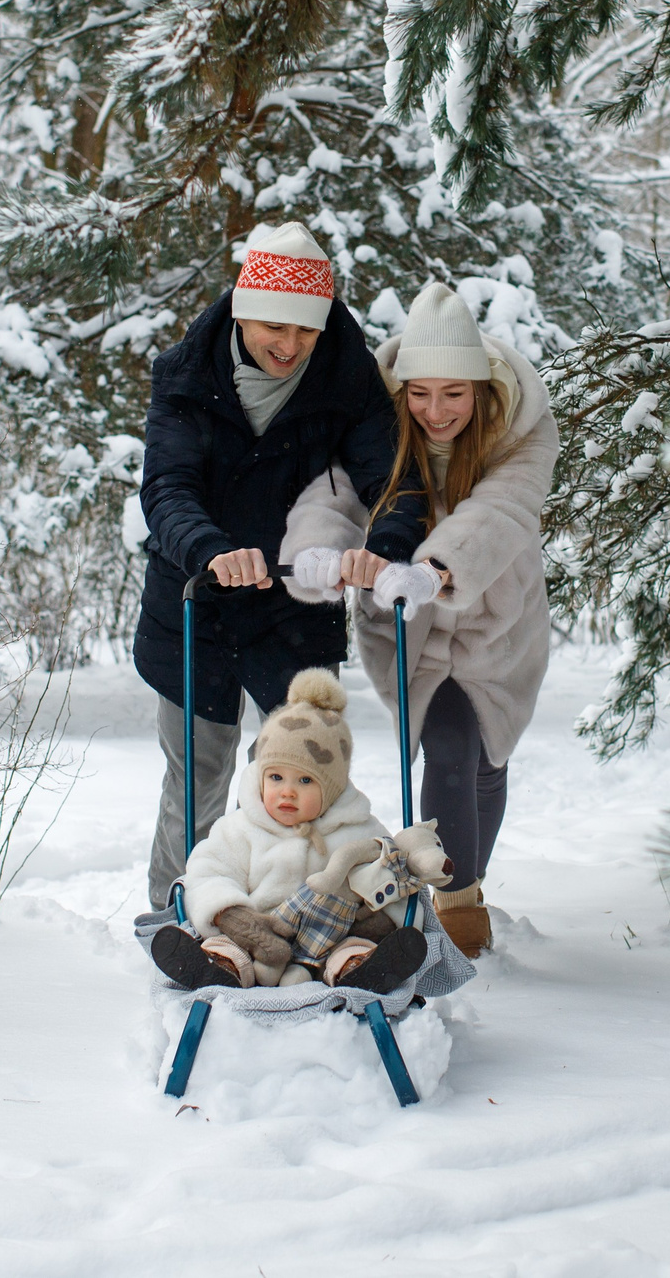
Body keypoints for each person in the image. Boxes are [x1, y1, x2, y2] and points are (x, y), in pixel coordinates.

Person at [134, 222, 425, 910]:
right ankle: (182, 913)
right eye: (273, 326)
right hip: (195, 596)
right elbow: (166, 487)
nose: (289, 346)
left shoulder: (347, 378)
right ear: (241, 308)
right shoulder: (185, 376)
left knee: (302, 773)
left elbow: (395, 476)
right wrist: (210, 548)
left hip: (295, 605)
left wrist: (382, 544)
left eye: (306, 332)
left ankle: (302, 915)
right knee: (199, 773)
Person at [279, 281, 557, 957]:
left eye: (453, 394)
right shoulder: (375, 418)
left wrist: (436, 568)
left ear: (482, 389)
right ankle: (455, 906)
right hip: (412, 628)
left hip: (496, 612)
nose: (435, 412)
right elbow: (337, 488)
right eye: (421, 394)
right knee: (450, 746)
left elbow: (503, 510)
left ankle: (468, 877)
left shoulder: (521, 427)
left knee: (489, 757)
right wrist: (318, 548)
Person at [147, 670, 428, 994]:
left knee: (354, 948)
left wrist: (375, 919)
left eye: (305, 780)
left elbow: (389, 877)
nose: (287, 792)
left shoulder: (358, 829)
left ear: (333, 788)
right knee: (225, 947)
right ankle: (218, 969)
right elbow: (209, 872)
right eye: (276, 778)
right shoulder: (240, 828)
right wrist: (232, 914)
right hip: (254, 939)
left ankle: (362, 969)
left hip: (331, 941)